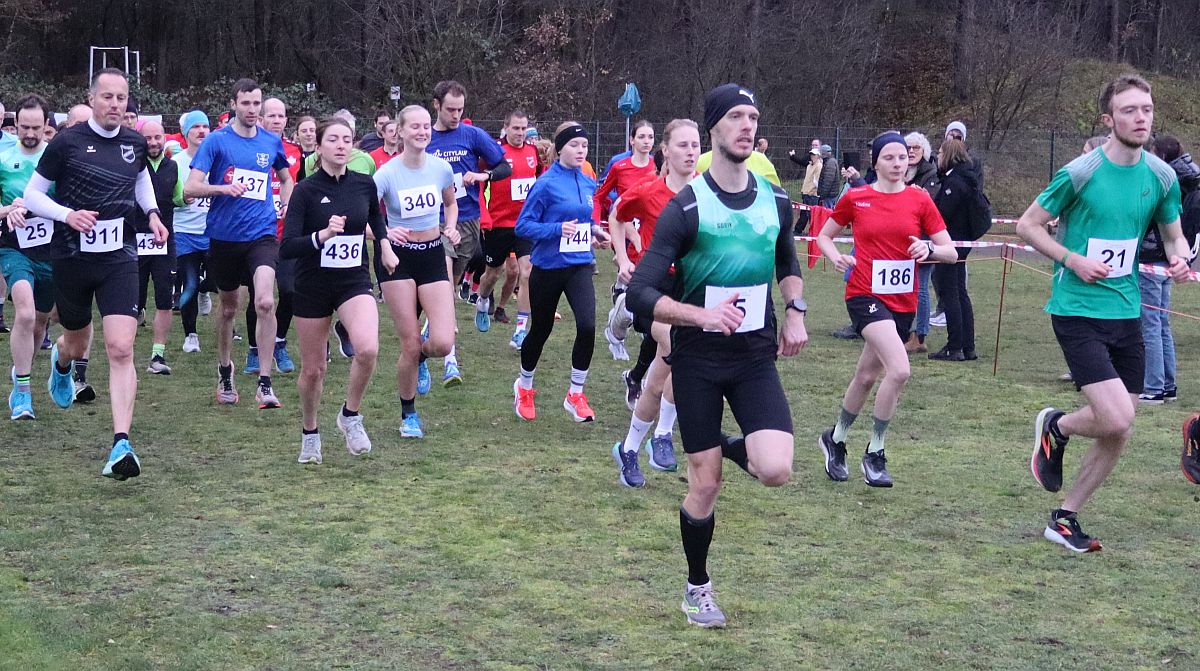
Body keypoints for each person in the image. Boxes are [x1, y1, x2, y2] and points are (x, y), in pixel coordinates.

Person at [627, 84, 808, 628]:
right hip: (699, 358)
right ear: (713, 129)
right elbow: (641, 295)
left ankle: (729, 446)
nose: (746, 126)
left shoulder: (776, 200)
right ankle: (696, 586)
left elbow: (787, 261)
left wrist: (795, 308)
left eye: (752, 117)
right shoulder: (686, 207)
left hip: (754, 355)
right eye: (735, 116)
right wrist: (700, 315)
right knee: (704, 485)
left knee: (775, 469)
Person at [1017, 74, 1190, 553]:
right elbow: (1029, 225)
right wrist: (1071, 259)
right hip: (1076, 309)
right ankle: (1057, 426)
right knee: (1114, 418)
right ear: (1108, 119)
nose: (1141, 117)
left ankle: (1065, 515)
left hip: (1127, 310)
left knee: (1121, 423)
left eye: (1147, 109)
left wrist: (1180, 257)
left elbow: (1173, 233)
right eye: (1130, 110)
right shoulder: (1080, 172)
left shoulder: (1161, 176)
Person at [20, 68, 169, 479]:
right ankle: (61, 360)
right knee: (77, 340)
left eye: (122, 98)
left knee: (121, 347)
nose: (115, 105)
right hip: (72, 257)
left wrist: (153, 213)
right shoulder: (67, 142)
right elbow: (32, 194)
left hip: (119, 256)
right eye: (107, 97)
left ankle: (121, 443)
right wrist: (68, 215)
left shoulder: (135, 143)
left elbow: (142, 183)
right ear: (92, 98)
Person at [816, 131, 957, 488]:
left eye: (903, 157)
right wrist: (836, 257)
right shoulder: (858, 197)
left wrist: (929, 249)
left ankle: (835, 439)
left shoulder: (920, 200)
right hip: (864, 294)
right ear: (875, 161)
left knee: (865, 376)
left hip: (903, 302)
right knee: (900, 369)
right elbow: (824, 235)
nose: (898, 163)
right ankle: (875, 452)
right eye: (889, 158)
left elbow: (951, 251)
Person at [282, 117, 393, 463]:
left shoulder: (363, 184)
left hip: (352, 280)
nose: (342, 145)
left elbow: (374, 218)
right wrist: (322, 236)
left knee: (368, 349)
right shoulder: (305, 191)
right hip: (312, 284)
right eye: (333, 139)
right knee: (314, 370)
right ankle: (310, 432)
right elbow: (287, 247)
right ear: (319, 146)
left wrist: (385, 244)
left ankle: (350, 415)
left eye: (347, 139)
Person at [184, 77, 294, 409]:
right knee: (229, 307)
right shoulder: (217, 142)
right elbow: (190, 188)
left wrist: (286, 204)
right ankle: (224, 370)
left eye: (256, 103)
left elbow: (287, 178)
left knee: (264, 302)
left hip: (262, 235)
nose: (251, 109)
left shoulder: (270, 142)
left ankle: (264, 383)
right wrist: (222, 189)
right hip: (223, 238)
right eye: (245, 103)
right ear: (234, 104)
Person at [608, 118, 701, 486]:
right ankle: (663, 435)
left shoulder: (708, 194)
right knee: (679, 346)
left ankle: (629, 448)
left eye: (695, 145)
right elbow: (617, 217)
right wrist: (624, 257)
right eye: (682, 145)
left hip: (690, 289)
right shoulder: (648, 191)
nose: (690, 152)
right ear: (665, 150)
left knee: (659, 380)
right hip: (652, 288)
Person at [512, 122, 611, 423]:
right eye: (575, 145)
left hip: (579, 265)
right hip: (548, 267)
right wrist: (557, 229)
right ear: (560, 148)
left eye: (584, 146)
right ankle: (524, 386)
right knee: (541, 330)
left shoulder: (586, 180)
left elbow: (581, 220)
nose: (581, 150)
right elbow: (523, 227)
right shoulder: (545, 184)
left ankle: (576, 393)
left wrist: (594, 231)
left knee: (587, 325)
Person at [373, 105, 458, 438]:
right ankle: (409, 415)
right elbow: (366, 213)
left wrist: (450, 227)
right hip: (398, 260)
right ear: (400, 130)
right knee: (408, 343)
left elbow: (450, 203)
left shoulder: (441, 168)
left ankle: (423, 358)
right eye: (415, 127)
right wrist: (383, 234)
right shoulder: (387, 173)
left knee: (442, 342)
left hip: (433, 254)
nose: (422, 132)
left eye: (426, 127)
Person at [426, 81, 512, 386]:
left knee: (446, 285)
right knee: (445, 281)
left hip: (467, 221)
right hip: (432, 220)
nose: (455, 115)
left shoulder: (472, 135)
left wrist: (483, 174)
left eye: (460, 110)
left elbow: (504, 166)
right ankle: (450, 360)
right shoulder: (425, 135)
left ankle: (426, 342)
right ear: (436, 105)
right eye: (450, 109)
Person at [0, 94, 53, 419]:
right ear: (15, 124)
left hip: (50, 249)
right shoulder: (3, 155)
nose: (30, 133)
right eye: (24, 127)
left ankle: (23, 366)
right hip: (13, 244)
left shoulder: (56, 156)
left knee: (40, 321)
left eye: (36, 127)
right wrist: (8, 210)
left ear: (46, 126)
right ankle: (22, 391)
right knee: (25, 313)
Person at [242, 97, 301, 376]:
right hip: (259, 234)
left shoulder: (295, 152)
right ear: (262, 118)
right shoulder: (251, 146)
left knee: (290, 291)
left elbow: (298, 182)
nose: (277, 120)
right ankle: (254, 349)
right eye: (272, 115)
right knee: (259, 296)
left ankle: (278, 341)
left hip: (288, 234)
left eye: (282, 116)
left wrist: (292, 203)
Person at [1136, 135, 1198, 403]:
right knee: (1161, 323)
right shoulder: (1188, 176)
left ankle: (1153, 387)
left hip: (1154, 256)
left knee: (1150, 324)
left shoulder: (1163, 179)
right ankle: (1167, 385)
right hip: (1168, 258)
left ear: (1159, 155)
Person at [474, 110, 538, 342]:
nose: (520, 133)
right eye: (516, 128)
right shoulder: (494, 154)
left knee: (527, 272)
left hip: (525, 224)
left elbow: (539, 182)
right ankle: (482, 300)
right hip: (498, 224)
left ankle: (521, 329)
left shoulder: (533, 152)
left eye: (523, 128)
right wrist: (484, 215)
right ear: (506, 127)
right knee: (493, 273)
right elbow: (479, 187)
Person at [596, 120, 656, 360]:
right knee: (637, 280)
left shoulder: (658, 167)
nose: (646, 141)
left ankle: (625, 311)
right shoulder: (620, 167)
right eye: (641, 136)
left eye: (650, 137)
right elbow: (601, 194)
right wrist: (613, 209)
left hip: (650, 229)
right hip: (624, 228)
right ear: (632, 140)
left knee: (641, 286)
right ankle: (619, 328)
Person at [924, 137, 981, 361]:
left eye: (939, 153)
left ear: (947, 155)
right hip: (961, 242)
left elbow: (941, 215)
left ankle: (955, 345)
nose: (937, 157)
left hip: (952, 243)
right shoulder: (967, 178)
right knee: (960, 292)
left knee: (951, 293)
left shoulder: (955, 182)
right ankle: (967, 346)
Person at [132, 120, 181, 375]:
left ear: (165, 138)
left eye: (157, 137)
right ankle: (125, 353)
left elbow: (179, 197)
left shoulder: (173, 166)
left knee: (164, 300)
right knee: (132, 301)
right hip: (134, 241)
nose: (153, 142)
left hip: (164, 241)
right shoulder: (132, 165)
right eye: (148, 138)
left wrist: (192, 197)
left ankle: (157, 356)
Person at [172, 111, 212, 354]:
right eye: (195, 126)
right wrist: (182, 199)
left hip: (213, 231)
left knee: (218, 278)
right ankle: (191, 335)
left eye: (205, 126)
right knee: (189, 283)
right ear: (186, 133)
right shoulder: (176, 163)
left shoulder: (218, 159)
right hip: (184, 231)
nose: (201, 131)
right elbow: (167, 197)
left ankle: (206, 288)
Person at [904, 131, 942, 354]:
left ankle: (920, 336)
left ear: (924, 151)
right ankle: (907, 331)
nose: (911, 151)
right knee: (909, 286)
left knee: (921, 287)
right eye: (907, 147)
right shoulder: (904, 173)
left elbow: (929, 207)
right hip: (906, 236)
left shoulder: (931, 174)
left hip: (925, 237)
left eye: (915, 148)